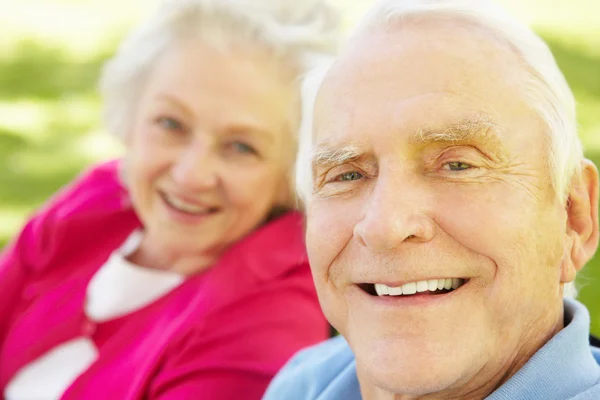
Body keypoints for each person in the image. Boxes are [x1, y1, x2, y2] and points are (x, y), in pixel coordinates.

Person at [0, 0, 338, 398]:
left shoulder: (268, 326)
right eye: (171, 124)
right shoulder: (98, 199)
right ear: (131, 113)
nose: (190, 175)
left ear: (289, 173)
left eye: (241, 147)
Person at [263, 0, 600, 399]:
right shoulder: (304, 384)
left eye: (458, 165)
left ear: (573, 217)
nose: (384, 226)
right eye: (347, 174)